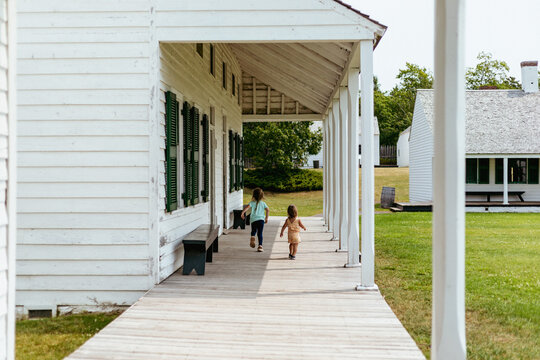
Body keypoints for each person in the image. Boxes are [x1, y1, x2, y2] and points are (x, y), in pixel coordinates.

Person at [241, 188, 269, 252]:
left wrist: (242, 213)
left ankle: (252, 236)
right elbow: (267, 210)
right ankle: (260, 246)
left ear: (254, 195)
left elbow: (247, 208)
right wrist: (266, 218)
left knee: (253, 231)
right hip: (261, 220)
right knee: (260, 233)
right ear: (262, 196)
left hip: (254, 220)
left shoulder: (252, 203)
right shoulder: (263, 203)